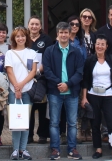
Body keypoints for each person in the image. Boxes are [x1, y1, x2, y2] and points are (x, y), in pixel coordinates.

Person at [81, 34, 112, 160]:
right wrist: (84, 97)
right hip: (93, 95)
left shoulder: (111, 59)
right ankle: (98, 148)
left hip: (108, 94)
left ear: (106, 46)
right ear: (95, 45)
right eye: (98, 44)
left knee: (111, 122)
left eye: (102, 44)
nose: (100, 46)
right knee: (95, 123)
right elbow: (85, 80)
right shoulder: (90, 60)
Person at [43, 22, 85, 160]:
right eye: (61, 32)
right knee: (54, 122)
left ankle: (72, 149)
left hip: (72, 92)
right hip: (55, 92)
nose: (63, 35)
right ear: (57, 34)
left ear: (69, 34)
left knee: (72, 123)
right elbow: (47, 71)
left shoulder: (76, 51)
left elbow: (80, 72)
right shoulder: (49, 51)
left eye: (66, 32)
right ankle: (55, 149)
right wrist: (59, 84)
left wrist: (68, 84)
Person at [5, 27, 38, 160]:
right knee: (15, 121)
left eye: (23, 36)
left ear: (26, 37)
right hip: (14, 91)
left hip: (27, 90)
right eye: (17, 36)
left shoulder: (32, 53)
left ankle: (23, 149)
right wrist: (17, 88)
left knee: (25, 121)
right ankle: (15, 150)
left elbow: (33, 71)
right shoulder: (10, 54)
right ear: (14, 38)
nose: (20, 38)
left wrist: (21, 85)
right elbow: (9, 71)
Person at [27, 16, 54, 144]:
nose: (34, 26)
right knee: (29, 108)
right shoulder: (24, 39)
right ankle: (29, 135)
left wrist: (37, 71)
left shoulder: (47, 40)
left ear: (40, 26)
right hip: (26, 79)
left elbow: (48, 58)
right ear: (28, 25)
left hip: (41, 78)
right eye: (32, 24)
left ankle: (43, 134)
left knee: (43, 108)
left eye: (37, 24)